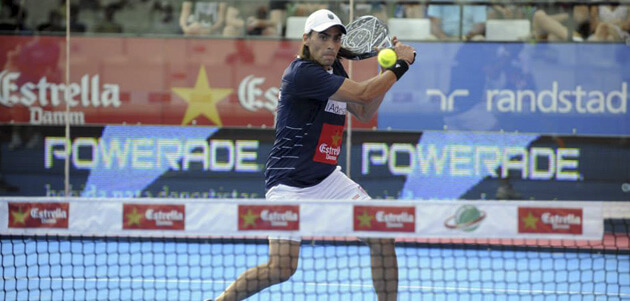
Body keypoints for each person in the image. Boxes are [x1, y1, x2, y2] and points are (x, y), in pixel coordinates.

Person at [206, 8, 416, 301]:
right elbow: (362, 94)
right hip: (289, 183)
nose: (331, 44)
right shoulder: (302, 73)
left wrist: (386, 71)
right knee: (281, 268)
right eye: (323, 37)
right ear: (306, 39)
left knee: (381, 236)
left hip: (328, 178)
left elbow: (365, 111)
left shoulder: (335, 68)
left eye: (337, 38)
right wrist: (400, 67)